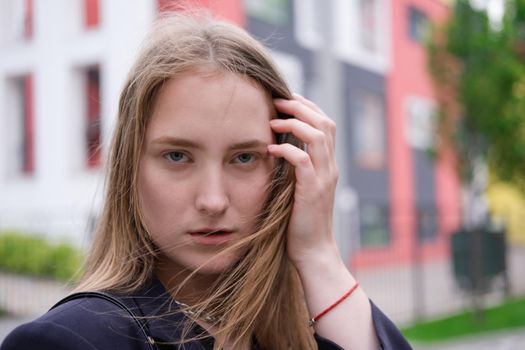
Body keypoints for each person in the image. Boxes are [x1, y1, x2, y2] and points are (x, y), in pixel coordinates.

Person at [1, 13, 412, 350]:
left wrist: (319, 253)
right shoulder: (74, 339)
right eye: (177, 156)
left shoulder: (291, 332)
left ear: (283, 170)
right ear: (131, 169)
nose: (213, 200)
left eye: (244, 158)